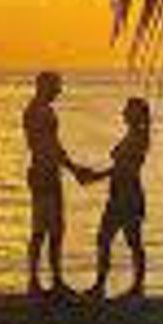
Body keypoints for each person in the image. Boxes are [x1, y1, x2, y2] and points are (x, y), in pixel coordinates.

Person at [22, 71, 88, 297]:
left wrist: (72, 167)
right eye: (56, 87)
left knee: (55, 229)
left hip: (49, 172)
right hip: (43, 174)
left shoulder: (45, 110)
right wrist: (73, 168)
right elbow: (47, 146)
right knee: (41, 230)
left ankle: (55, 280)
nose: (59, 91)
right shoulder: (36, 111)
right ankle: (35, 281)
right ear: (44, 86)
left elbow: (55, 145)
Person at [85, 97, 151, 300]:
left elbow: (125, 169)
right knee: (113, 240)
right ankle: (105, 285)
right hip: (120, 194)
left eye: (128, 110)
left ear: (137, 114)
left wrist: (96, 176)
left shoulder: (139, 137)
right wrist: (97, 176)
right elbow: (120, 167)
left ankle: (132, 287)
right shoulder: (133, 135)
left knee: (121, 240)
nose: (124, 112)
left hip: (127, 195)